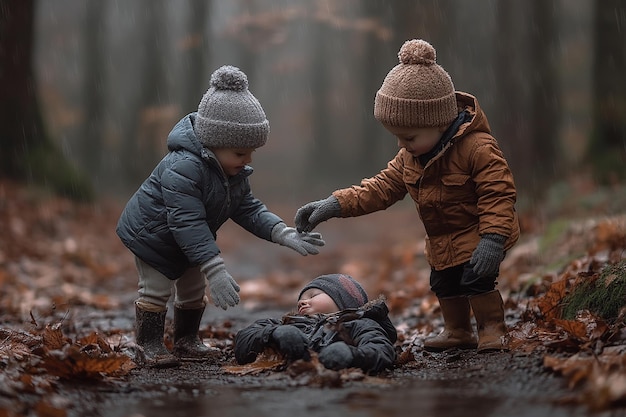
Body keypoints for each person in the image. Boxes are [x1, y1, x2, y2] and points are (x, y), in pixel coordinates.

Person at [294, 39, 520, 354]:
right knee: (444, 284)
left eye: (409, 137)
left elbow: (498, 193)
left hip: (478, 234)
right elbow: (380, 188)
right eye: (397, 137)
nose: (403, 144)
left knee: (477, 281)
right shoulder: (410, 157)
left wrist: (493, 238)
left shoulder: (478, 148)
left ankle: (493, 329)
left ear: (439, 122)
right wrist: (334, 205)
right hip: (442, 242)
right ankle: (458, 331)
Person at [116, 65, 325, 368]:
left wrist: (282, 232)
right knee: (157, 288)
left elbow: (248, 208)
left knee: (192, 288)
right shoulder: (183, 167)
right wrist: (215, 268)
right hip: (154, 237)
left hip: (188, 241)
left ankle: (187, 340)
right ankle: (147, 343)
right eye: (241, 153)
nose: (248, 160)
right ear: (214, 142)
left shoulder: (230, 172)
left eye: (251, 152)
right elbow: (186, 222)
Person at [233, 273, 397, 374]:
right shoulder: (287, 324)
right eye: (301, 299)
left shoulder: (360, 324)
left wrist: (351, 355)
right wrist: (273, 335)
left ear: (343, 301)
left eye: (313, 295)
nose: (302, 302)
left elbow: (380, 348)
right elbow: (243, 339)